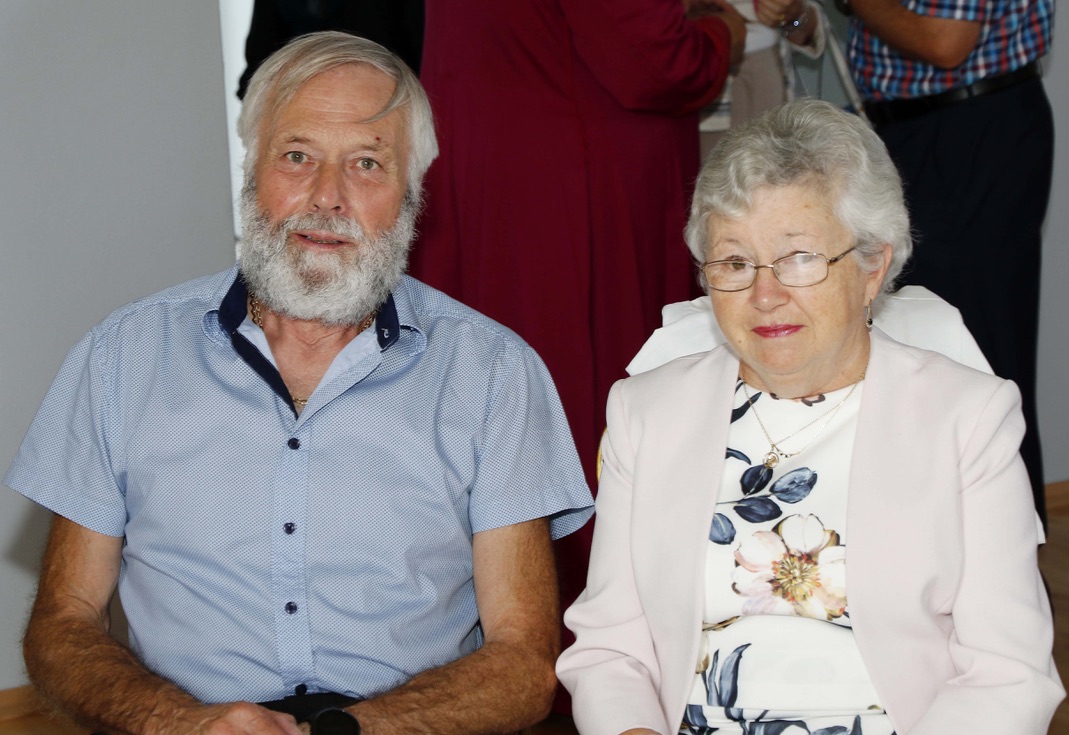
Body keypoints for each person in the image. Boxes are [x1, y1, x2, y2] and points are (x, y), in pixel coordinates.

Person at [5, 32, 593, 735]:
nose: (327, 197)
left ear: (412, 194)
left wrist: (352, 730)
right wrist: (183, 723)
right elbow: (62, 626)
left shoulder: (494, 373)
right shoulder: (120, 359)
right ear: (251, 169)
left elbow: (524, 662)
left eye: (367, 164)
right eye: (297, 156)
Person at [556, 99, 1062, 735]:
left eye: (799, 257)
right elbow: (610, 650)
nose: (765, 295)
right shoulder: (647, 413)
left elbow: (1007, 673)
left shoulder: (967, 419)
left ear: (872, 266)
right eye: (735, 262)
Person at [410, 0, 746, 637]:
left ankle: (497, 621)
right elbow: (656, 62)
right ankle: (587, 635)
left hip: (489, 155)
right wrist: (721, 30)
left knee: (483, 399)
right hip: (566, 183)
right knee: (579, 406)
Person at [844, 0, 1054, 525]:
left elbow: (945, 41)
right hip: (909, 130)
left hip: (971, 127)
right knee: (910, 350)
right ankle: (929, 545)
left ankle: (1007, 548)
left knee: (979, 356)